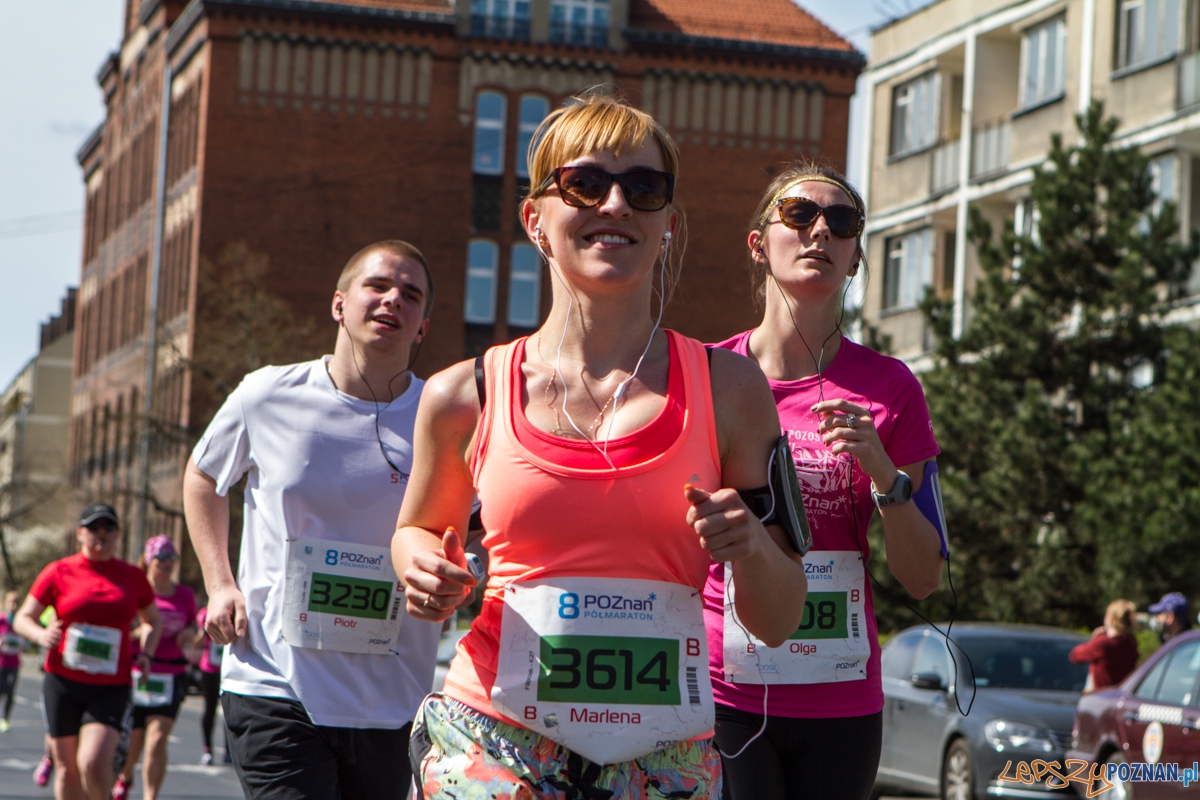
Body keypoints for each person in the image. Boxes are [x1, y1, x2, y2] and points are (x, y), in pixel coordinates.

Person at [393, 93, 807, 800]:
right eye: (585, 183)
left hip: (663, 759)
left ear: (667, 224)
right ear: (535, 220)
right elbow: (416, 532)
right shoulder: (464, 394)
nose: (615, 204)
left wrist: (750, 546)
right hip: (493, 738)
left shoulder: (730, 389)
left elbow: (780, 620)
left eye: (643, 188)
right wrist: (424, 570)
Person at [708, 162, 945, 800]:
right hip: (725, 690)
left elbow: (925, 578)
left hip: (840, 698)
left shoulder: (891, 388)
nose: (820, 232)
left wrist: (884, 473)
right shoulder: (710, 375)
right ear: (758, 244)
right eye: (799, 215)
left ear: (856, 258)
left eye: (841, 222)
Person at [184, 240, 442, 800]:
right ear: (339, 304)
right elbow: (204, 476)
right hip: (273, 680)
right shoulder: (267, 395)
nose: (393, 300)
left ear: (422, 327)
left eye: (411, 294)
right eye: (378, 286)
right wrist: (219, 582)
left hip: (390, 695)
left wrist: (460, 574)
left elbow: (474, 529)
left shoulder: (443, 418)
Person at [12, 503, 162, 800]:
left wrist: (147, 654)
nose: (101, 533)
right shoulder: (59, 571)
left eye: (108, 526)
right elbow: (22, 618)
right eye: (94, 526)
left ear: (118, 534)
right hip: (63, 682)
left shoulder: (132, 576)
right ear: (80, 533)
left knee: (93, 762)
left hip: (110, 685)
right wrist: (41, 634)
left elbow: (153, 620)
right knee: (67, 769)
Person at [112, 536, 196, 800]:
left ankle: (150, 796)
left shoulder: (185, 595)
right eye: (161, 558)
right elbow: (120, 628)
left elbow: (193, 624)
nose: (167, 564)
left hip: (171, 674)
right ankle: (125, 777)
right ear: (149, 560)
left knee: (157, 739)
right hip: (138, 672)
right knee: (133, 741)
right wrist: (139, 633)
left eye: (172, 558)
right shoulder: (136, 590)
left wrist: (190, 633)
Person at [1070, 599, 1138, 691]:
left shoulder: (1102, 643)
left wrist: (1096, 638)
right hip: (1122, 694)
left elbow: (1075, 655)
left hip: (1103, 695)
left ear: (1110, 620)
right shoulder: (1131, 641)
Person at [192, 606, 227, 765]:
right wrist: (205, 631)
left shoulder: (233, 608)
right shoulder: (205, 613)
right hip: (210, 669)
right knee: (210, 709)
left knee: (229, 711)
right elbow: (195, 644)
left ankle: (229, 750)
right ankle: (207, 749)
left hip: (227, 669)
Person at [1, 590, 25, 733]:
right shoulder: (1, 620)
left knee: (10, 691)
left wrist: (23, 645)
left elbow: (25, 642)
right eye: (10, 602)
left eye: (16, 603)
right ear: (5, 603)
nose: (13, 605)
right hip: (1, 662)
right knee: (1, 688)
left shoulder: (20, 623)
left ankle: (5, 719)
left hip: (14, 663)